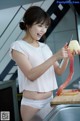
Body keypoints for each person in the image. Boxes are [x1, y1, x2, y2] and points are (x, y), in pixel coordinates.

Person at [9, 6, 70, 121]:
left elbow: (59, 71)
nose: (43, 30)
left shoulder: (45, 47)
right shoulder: (18, 46)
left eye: (46, 26)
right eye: (40, 25)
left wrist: (66, 56)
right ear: (28, 24)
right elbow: (31, 75)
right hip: (32, 105)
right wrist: (56, 56)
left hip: (50, 100)